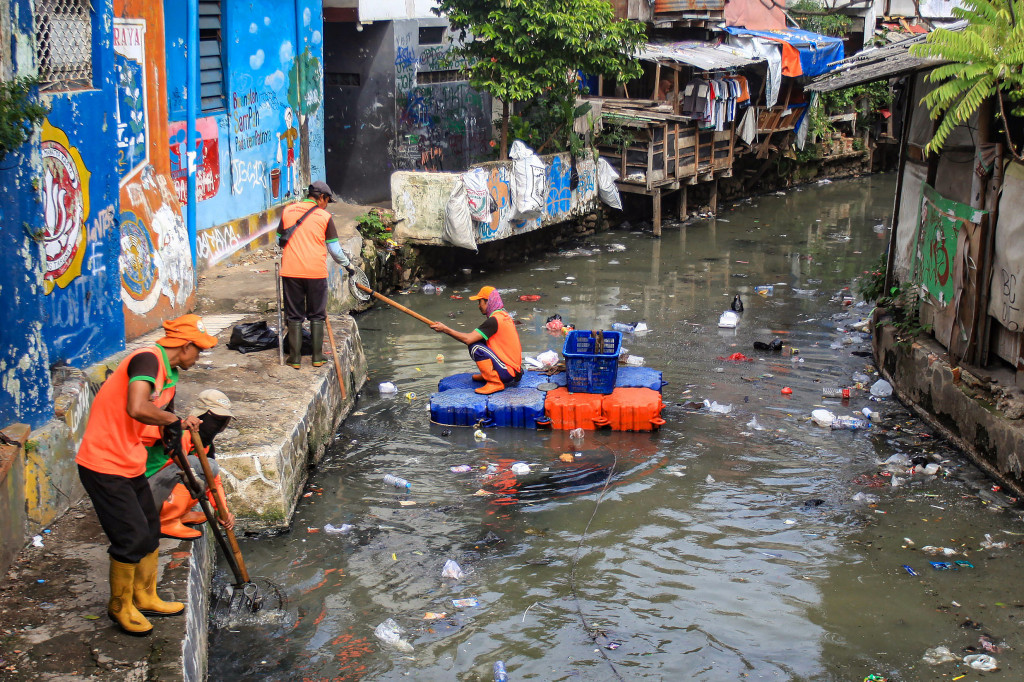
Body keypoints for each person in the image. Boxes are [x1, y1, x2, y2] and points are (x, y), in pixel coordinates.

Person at [76, 314, 218, 636]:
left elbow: (151, 421)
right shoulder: (146, 361)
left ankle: (145, 594)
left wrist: (176, 425)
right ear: (185, 346)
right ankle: (120, 607)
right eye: (200, 350)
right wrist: (172, 419)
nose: (200, 356)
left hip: (130, 461)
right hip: (102, 464)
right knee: (131, 538)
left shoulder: (168, 376)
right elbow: (137, 407)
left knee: (150, 528)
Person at [277, 180, 354, 370]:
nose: (326, 204)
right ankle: (317, 358)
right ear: (322, 197)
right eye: (327, 200)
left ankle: (294, 359)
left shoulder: (288, 211)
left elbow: (280, 239)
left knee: (294, 315)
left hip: (291, 270)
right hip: (315, 272)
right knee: (317, 314)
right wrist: (348, 265)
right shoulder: (324, 217)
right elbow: (335, 250)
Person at [144, 389, 235, 540]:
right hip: (143, 494)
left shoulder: (205, 445)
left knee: (208, 468)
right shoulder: (179, 432)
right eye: (217, 420)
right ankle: (166, 521)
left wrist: (222, 512)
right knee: (193, 465)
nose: (219, 426)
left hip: (158, 492)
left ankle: (180, 513)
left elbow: (214, 481)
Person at [430, 285, 523, 395]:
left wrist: (445, 329)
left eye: (480, 302)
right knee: (479, 341)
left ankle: (495, 382)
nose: (479, 306)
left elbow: (468, 339)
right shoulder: (502, 315)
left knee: (475, 347)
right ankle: (489, 374)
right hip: (513, 370)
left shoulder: (494, 320)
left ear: (488, 301)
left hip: (508, 371)